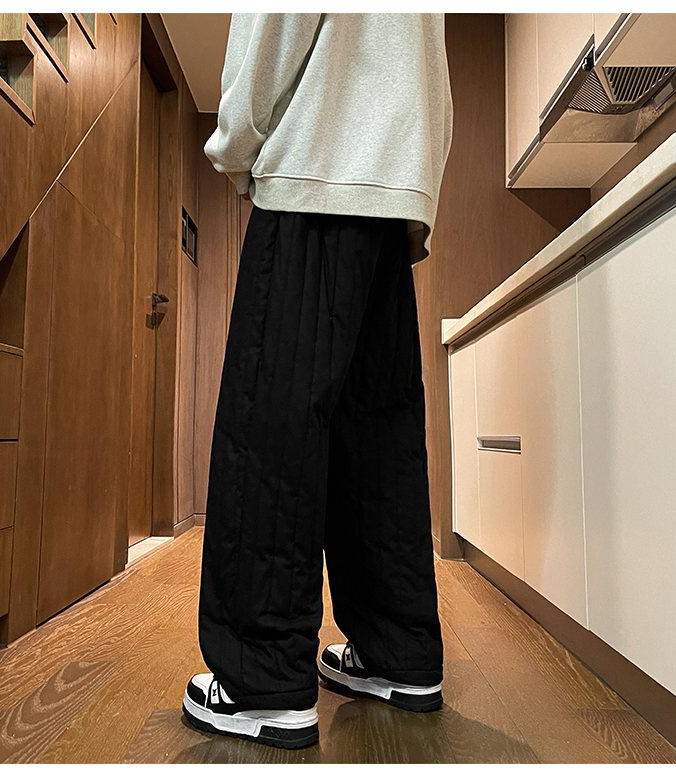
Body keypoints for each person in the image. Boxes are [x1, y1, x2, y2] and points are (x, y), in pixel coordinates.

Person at [182, 12, 453, 749]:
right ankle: (399, 653)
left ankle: (260, 679)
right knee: (378, 438)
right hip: (396, 185)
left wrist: (236, 144)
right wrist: (416, 179)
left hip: (317, 165)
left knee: (272, 425)